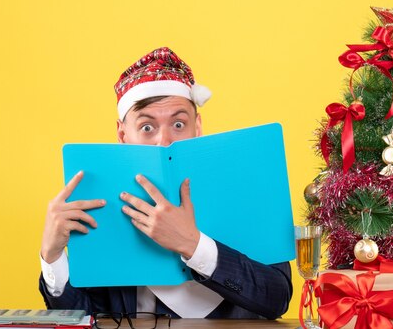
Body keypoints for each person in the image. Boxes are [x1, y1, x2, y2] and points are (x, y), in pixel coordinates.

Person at [38, 47, 293, 319]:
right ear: (123, 135)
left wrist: (194, 245)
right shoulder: (99, 201)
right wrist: (52, 256)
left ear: (198, 126)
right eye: (147, 127)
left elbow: (277, 299)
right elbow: (86, 316)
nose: (164, 141)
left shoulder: (247, 185)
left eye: (179, 124)